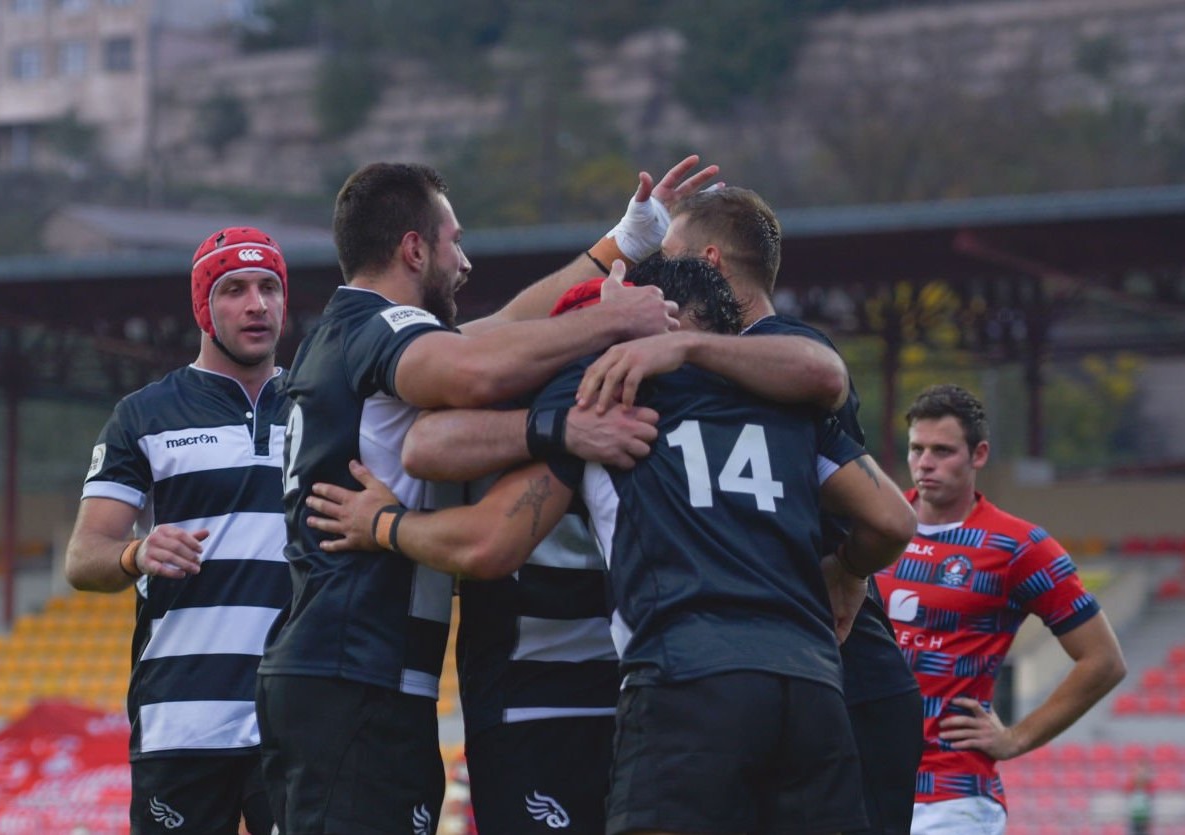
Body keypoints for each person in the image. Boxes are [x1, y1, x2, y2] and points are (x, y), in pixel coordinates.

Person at [305, 256, 919, 835]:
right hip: (811, 687)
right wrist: (848, 568)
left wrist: (385, 524)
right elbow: (892, 518)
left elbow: (467, 509)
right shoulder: (786, 395)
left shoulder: (616, 396)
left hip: (683, 681)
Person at [254, 161, 684, 835]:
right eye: (453, 242)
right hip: (355, 666)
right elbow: (478, 369)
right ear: (413, 249)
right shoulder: (381, 327)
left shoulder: (351, 330)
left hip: (346, 669)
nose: (465, 263)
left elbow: (510, 325)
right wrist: (612, 321)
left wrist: (620, 245)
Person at [581, 186, 925, 834]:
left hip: (829, 670)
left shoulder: (781, 355)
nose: (660, 281)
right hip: (812, 678)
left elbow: (827, 378)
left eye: (671, 259)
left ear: (708, 263)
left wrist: (849, 570)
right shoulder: (746, 373)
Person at [64, 227, 292, 835]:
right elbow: (83, 558)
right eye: (234, 289)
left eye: (269, 287)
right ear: (203, 307)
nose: (257, 304)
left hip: (294, 719)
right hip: (181, 720)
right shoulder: (144, 415)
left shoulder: (318, 408)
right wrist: (137, 553)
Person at [874, 383, 1127, 835]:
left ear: (979, 454)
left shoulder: (1018, 547)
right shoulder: (876, 525)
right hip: (861, 784)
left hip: (951, 796)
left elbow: (1104, 660)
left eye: (942, 450)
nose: (925, 462)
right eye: (916, 449)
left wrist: (1016, 738)